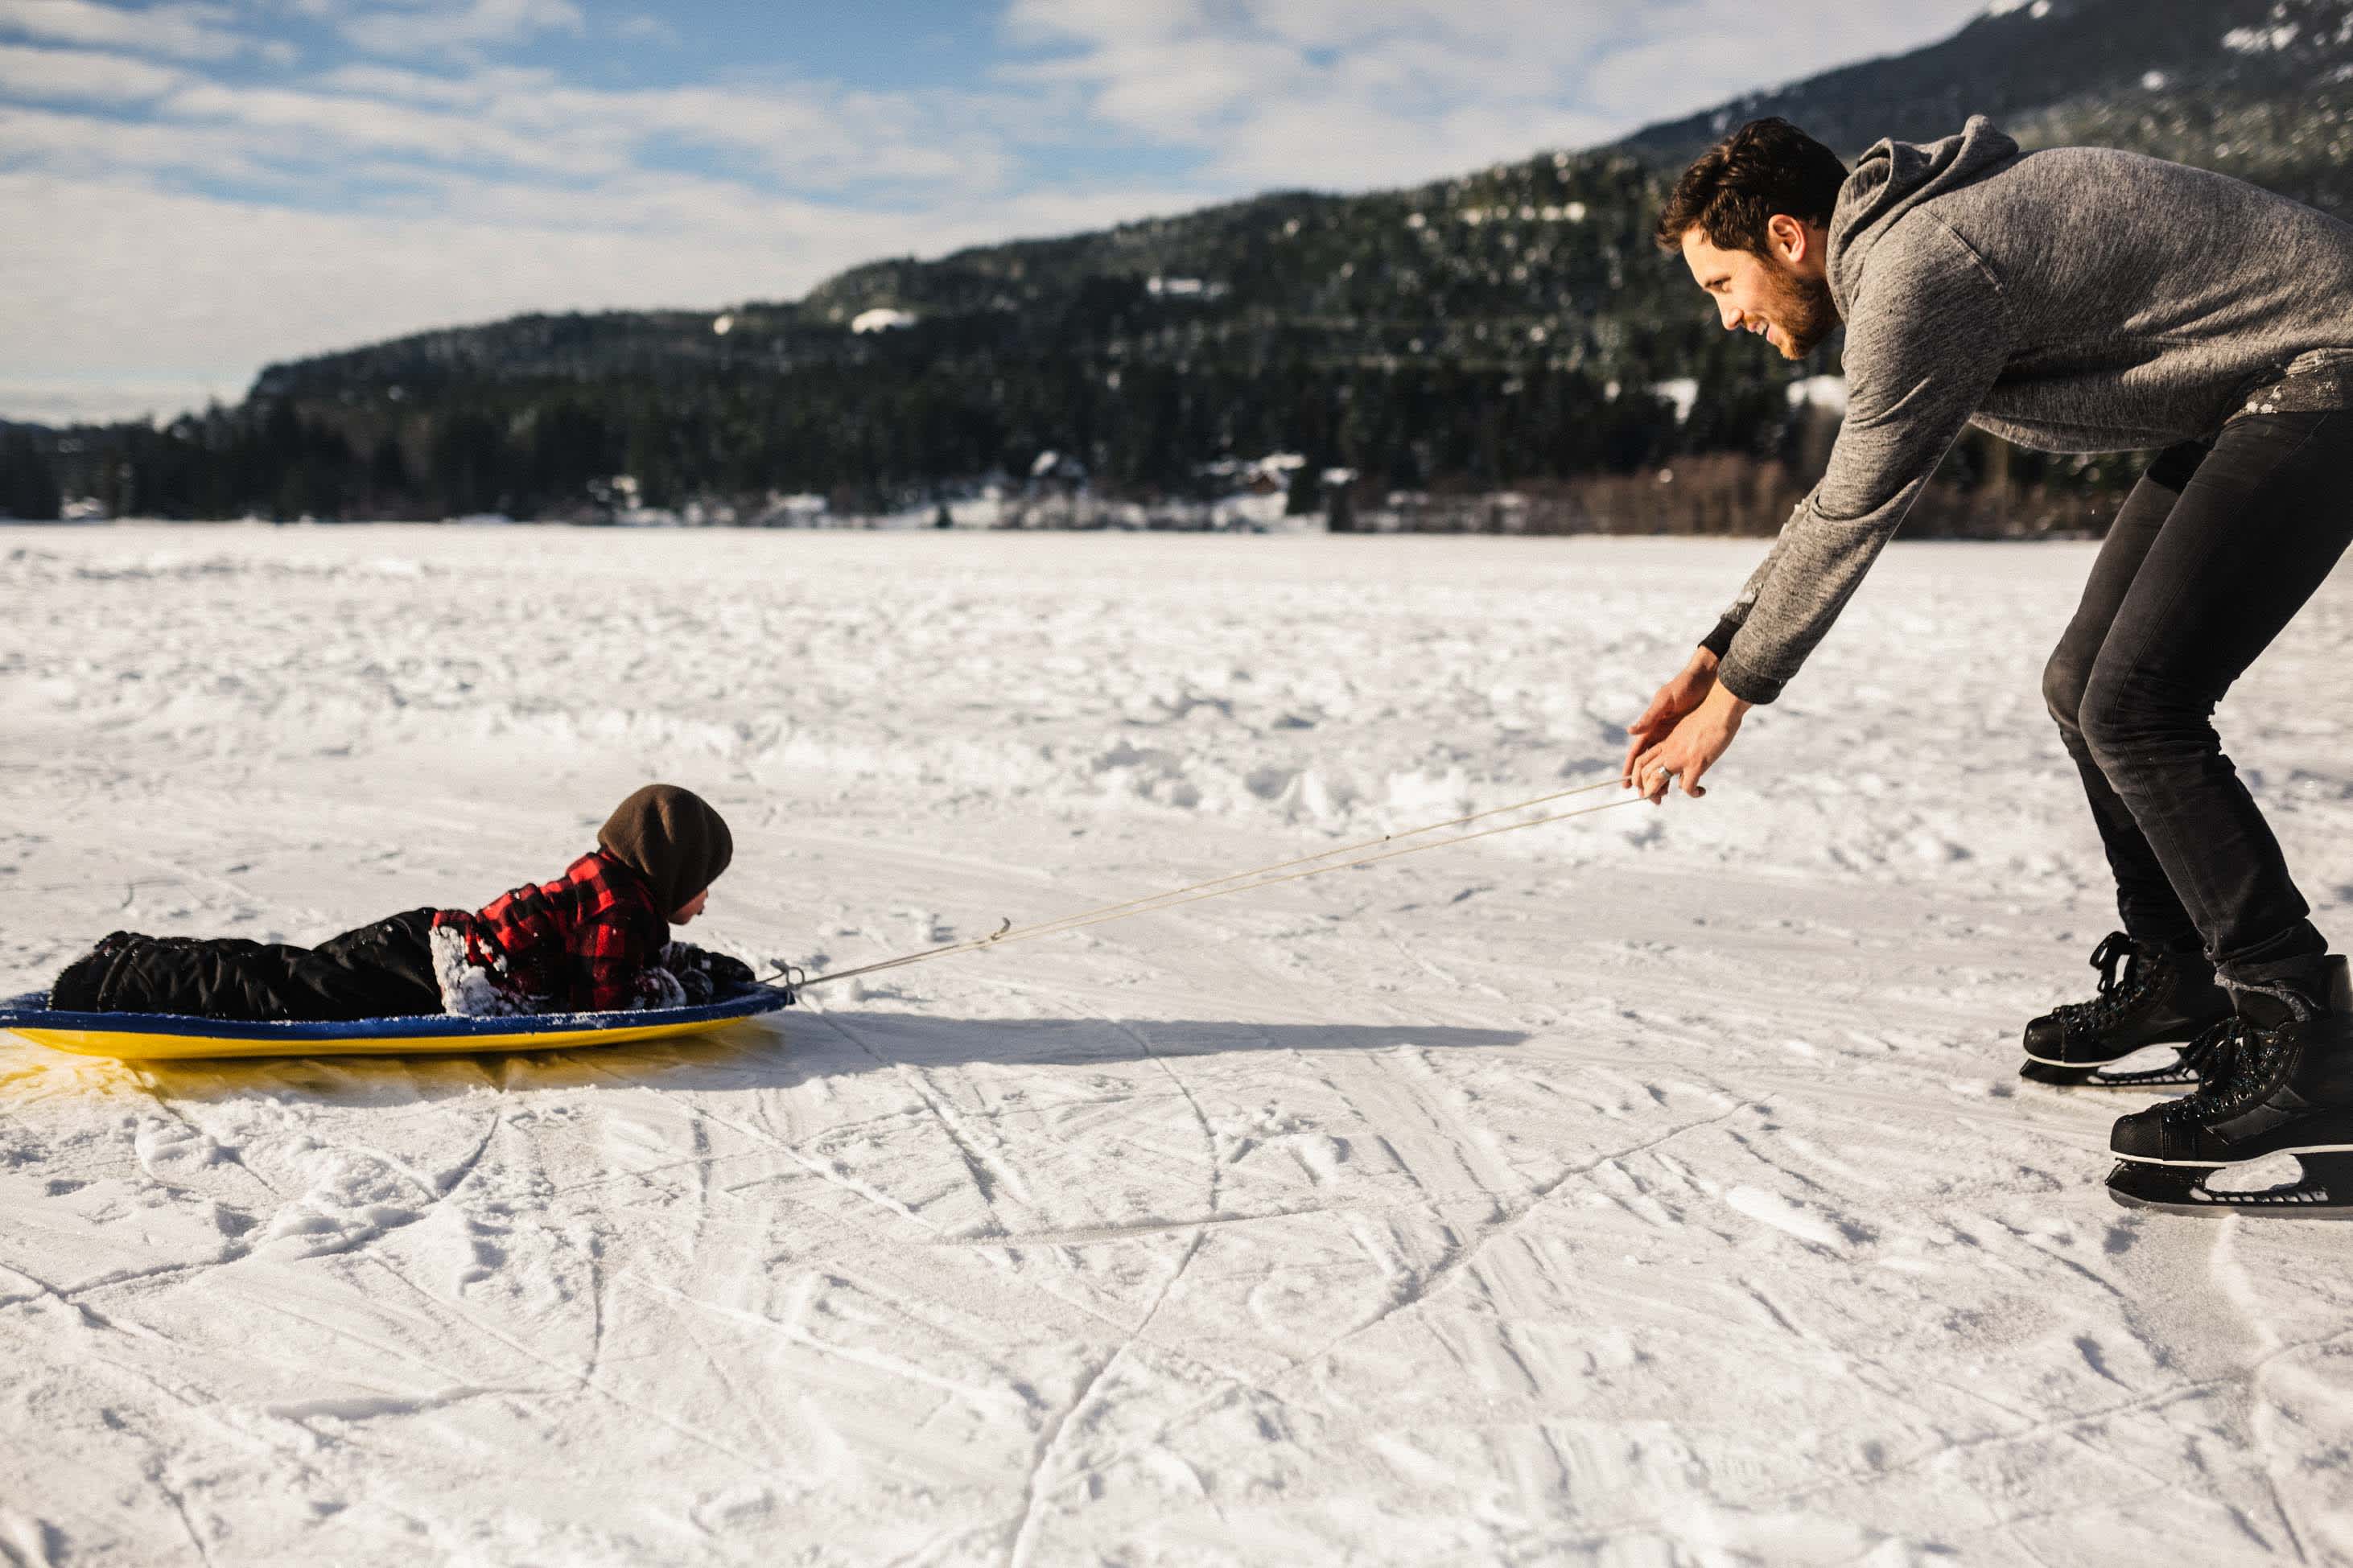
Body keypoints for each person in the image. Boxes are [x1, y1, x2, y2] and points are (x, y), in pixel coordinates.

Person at [1627, 115, 2353, 1198]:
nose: (1727, 316)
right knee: (2083, 686)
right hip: (2248, 390)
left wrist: (1732, 698)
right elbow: (1836, 499)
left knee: (2136, 703)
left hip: (2324, 369)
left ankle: (2303, 1039)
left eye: (1721, 284)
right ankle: (2179, 972)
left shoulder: (1918, 270)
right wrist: (1716, 649)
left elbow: (1858, 507)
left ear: (1786, 237)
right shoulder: (1911, 249)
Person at [48, 784, 755, 1022]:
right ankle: (124, 979)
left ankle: (138, 957)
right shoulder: (621, 909)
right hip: (432, 974)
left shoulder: (615, 888)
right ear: (670, 872)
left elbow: (614, 960)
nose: (703, 901)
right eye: (703, 884)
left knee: (288, 971)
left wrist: (692, 964)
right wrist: (685, 989)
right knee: (281, 992)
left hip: (427, 944)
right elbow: (612, 999)